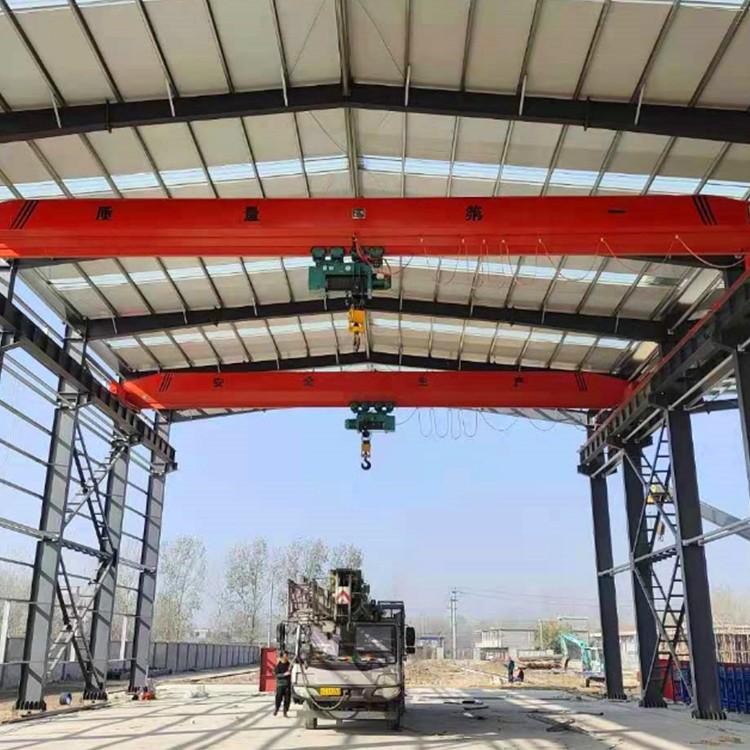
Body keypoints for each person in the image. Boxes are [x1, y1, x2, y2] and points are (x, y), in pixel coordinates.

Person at [274, 651, 292, 717]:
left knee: (287, 699)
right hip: (280, 685)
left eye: (287, 656)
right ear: (282, 657)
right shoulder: (278, 665)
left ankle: (285, 711)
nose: (286, 657)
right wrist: (284, 674)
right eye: (285, 656)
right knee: (278, 698)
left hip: (287, 685)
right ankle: (277, 709)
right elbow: (276, 675)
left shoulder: (289, 665)